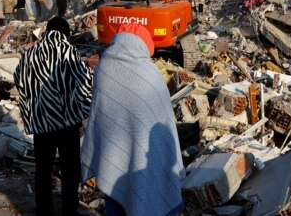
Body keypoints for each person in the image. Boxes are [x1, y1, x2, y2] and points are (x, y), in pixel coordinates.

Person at [81, 23, 185, 216]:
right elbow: (165, 123)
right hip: (147, 158)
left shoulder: (104, 68)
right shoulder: (150, 72)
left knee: (117, 208)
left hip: (114, 161)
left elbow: (97, 116)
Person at [14, 17, 94, 216]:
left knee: (43, 169)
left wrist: (32, 105)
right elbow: (85, 81)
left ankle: (44, 210)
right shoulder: (68, 51)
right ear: (65, 33)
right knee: (69, 168)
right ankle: (69, 208)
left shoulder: (29, 53)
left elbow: (19, 79)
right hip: (67, 122)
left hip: (41, 122)